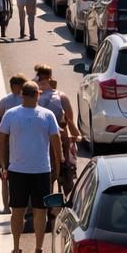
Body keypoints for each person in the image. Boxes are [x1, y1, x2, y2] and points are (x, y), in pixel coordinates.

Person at [0, 82, 62, 253]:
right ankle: (20, 248)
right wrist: (59, 163)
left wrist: (3, 163)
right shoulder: (15, 114)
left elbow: (0, 139)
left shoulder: (41, 115)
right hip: (25, 171)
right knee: (23, 211)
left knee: (31, 211)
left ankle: (34, 249)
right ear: (36, 95)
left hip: (36, 170)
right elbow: (56, 142)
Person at [34, 64, 81, 195]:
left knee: (56, 173)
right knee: (67, 171)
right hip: (57, 139)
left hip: (46, 140)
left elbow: (69, 120)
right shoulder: (60, 96)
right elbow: (70, 120)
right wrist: (76, 136)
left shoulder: (35, 97)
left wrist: (75, 135)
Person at [0, 75, 28, 214]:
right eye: (15, 86)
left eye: (20, 86)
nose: (18, 89)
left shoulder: (28, 100)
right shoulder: (5, 101)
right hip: (7, 142)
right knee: (4, 174)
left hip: (23, 141)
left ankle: (25, 204)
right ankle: (6, 206)